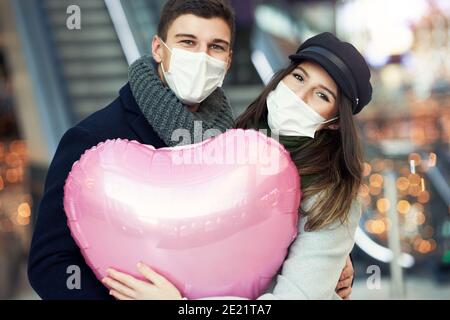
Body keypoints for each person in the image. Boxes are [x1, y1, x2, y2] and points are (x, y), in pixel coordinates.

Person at [28, 0, 353, 299]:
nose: (201, 57)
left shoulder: (236, 143)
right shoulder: (93, 139)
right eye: (188, 42)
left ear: (227, 61)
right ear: (158, 48)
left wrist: (324, 262)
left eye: (216, 47)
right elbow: (49, 265)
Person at [103, 32, 372, 300]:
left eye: (321, 96)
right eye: (299, 77)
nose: (300, 96)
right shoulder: (232, 144)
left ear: (336, 121)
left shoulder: (329, 198)